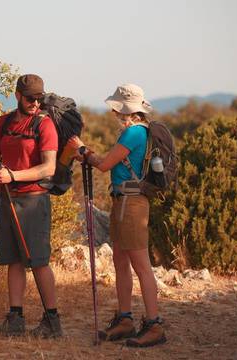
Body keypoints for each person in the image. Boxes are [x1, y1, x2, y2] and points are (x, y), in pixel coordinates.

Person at [71, 83, 166, 347]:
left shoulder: (133, 133)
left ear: (126, 110)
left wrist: (82, 149)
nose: (114, 113)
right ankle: (125, 320)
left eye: (117, 109)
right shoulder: (139, 131)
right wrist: (86, 154)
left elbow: (103, 165)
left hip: (131, 204)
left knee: (141, 265)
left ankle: (154, 325)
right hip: (124, 202)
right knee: (121, 261)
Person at [0, 74, 62, 338]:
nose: (35, 103)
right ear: (17, 95)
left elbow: (48, 168)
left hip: (34, 200)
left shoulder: (44, 125)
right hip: (6, 197)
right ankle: (15, 319)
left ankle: (52, 322)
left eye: (39, 98)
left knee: (38, 260)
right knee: (13, 259)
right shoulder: (3, 122)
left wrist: (12, 175)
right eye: (30, 98)